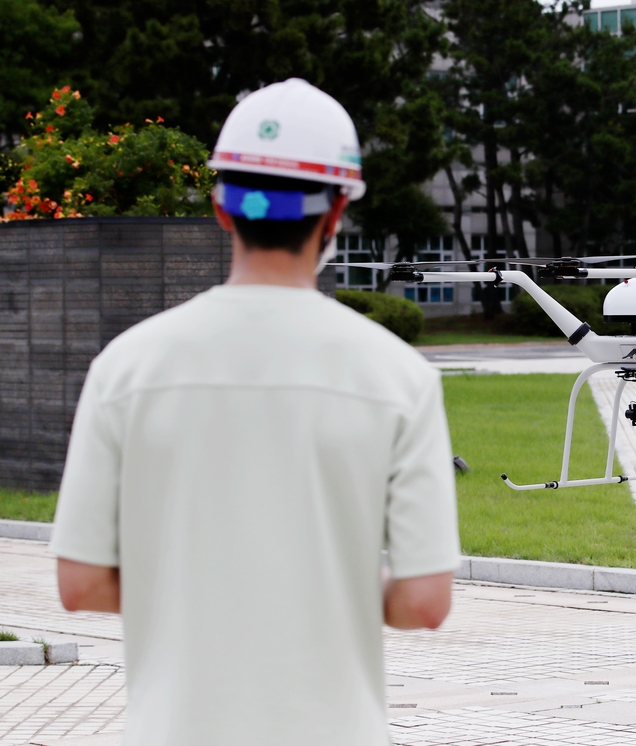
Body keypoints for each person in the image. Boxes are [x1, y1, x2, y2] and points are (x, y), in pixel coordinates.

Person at [50, 78, 460, 746]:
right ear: (334, 216)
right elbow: (423, 600)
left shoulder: (126, 369)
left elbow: (81, 582)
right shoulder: (399, 378)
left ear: (221, 207)